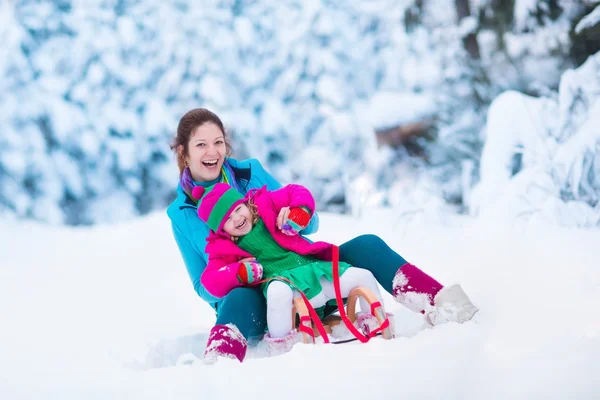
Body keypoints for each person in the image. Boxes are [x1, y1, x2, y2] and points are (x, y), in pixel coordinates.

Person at [167, 108, 478, 363]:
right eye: (201, 145)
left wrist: (296, 219)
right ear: (183, 152)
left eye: (218, 142)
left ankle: (442, 303)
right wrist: (241, 273)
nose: (212, 152)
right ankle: (216, 367)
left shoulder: (250, 174)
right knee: (234, 299)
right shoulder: (181, 213)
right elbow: (203, 286)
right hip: (259, 298)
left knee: (367, 245)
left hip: (304, 271)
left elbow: (309, 216)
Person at [193, 182, 387, 359]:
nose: (237, 218)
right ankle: (281, 349)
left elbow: (296, 191)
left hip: (314, 271)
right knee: (278, 293)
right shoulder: (223, 249)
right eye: (228, 219)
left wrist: (300, 210)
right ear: (222, 230)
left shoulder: (266, 205)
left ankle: (377, 326)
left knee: (362, 276)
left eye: (237, 209)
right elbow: (210, 281)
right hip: (282, 283)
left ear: (245, 203)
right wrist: (239, 272)